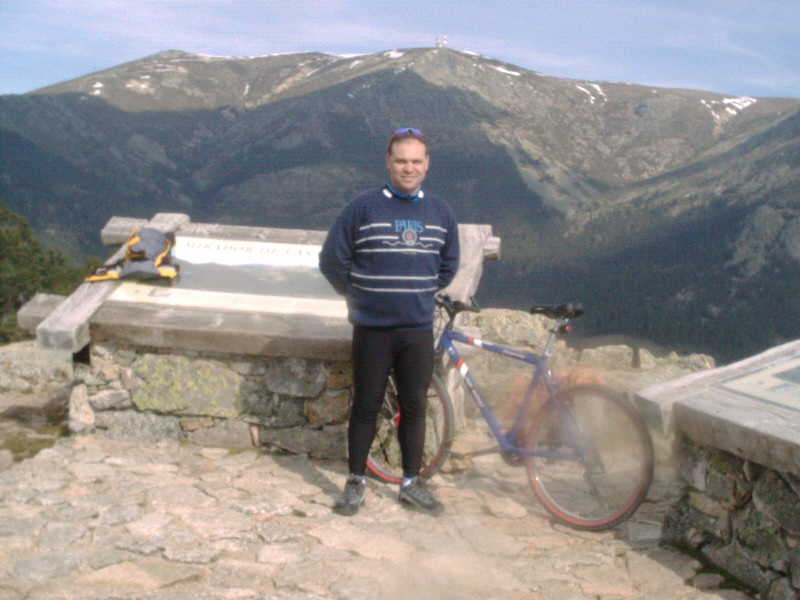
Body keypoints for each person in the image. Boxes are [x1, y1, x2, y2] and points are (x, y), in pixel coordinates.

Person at [319, 127, 460, 516]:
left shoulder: (441, 212)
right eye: (401, 161)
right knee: (366, 405)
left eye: (416, 161)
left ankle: (411, 483)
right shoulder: (362, 208)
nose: (408, 168)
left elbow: (449, 263)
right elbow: (331, 259)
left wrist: (418, 291)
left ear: (427, 164)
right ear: (388, 162)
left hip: (417, 328)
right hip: (373, 328)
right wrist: (358, 294)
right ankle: (355, 481)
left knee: (414, 406)